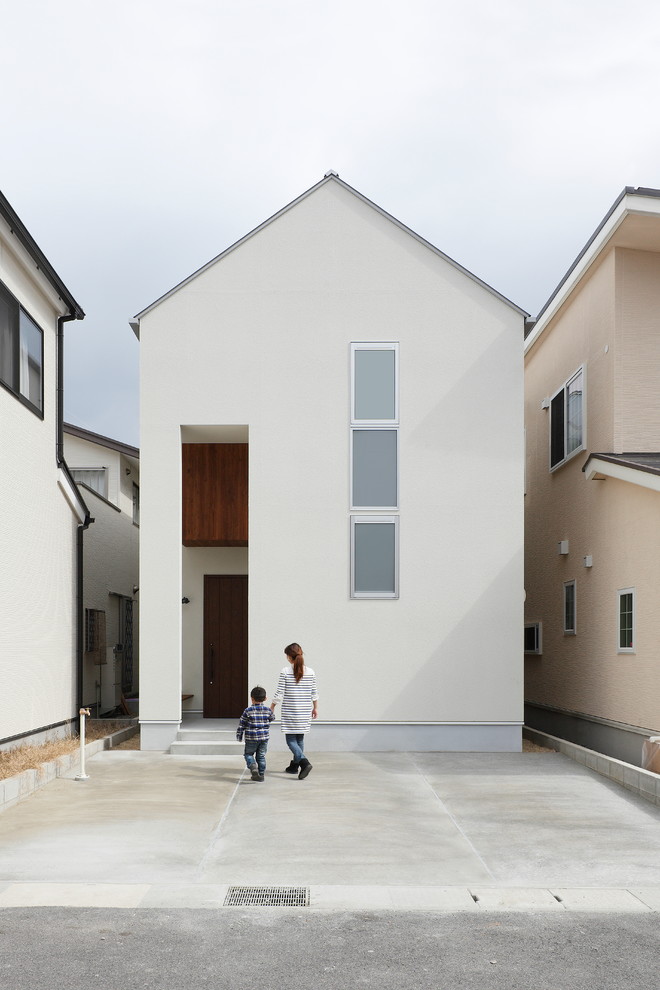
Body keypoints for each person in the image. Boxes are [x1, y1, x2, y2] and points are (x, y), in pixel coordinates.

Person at [270, 642, 318, 779]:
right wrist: (316, 708)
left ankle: (304, 762)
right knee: (299, 738)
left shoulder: (285, 671)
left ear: (289, 657)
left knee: (291, 739)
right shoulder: (311, 672)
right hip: (305, 711)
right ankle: (294, 766)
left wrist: (272, 706)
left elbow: (279, 692)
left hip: (290, 711)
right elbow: (314, 692)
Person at [236, 686, 275, 782]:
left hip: (251, 737)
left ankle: (253, 767)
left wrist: (239, 736)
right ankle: (261, 775)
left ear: (252, 699)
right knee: (261, 756)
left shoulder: (247, 711)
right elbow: (272, 718)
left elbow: (242, 724)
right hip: (264, 738)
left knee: (248, 754)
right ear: (265, 698)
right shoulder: (268, 710)